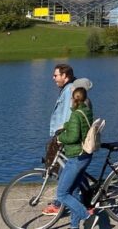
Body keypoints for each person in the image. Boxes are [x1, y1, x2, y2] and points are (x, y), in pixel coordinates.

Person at [44, 64, 93, 216]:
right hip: (69, 137)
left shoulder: (70, 91)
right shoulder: (68, 90)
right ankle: (85, 200)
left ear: (65, 76)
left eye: (56, 75)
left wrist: (60, 137)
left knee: (68, 171)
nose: (53, 78)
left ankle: (63, 204)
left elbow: (69, 116)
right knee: (74, 172)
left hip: (67, 138)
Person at [56, 86, 98, 229]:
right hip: (86, 156)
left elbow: (73, 136)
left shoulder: (75, 114)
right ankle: (74, 226)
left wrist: (60, 137)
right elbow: (79, 125)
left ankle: (88, 217)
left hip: (76, 157)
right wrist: (66, 125)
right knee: (73, 192)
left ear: (74, 98)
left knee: (62, 194)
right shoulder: (86, 111)